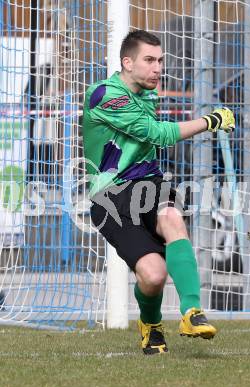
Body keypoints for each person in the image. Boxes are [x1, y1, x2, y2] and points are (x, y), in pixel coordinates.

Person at [83, 30, 235, 355]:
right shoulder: (105, 95)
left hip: (149, 185)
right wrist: (210, 121)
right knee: (153, 277)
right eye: (149, 60)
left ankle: (191, 312)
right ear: (127, 62)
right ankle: (150, 324)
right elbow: (157, 133)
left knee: (171, 216)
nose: (158, 68)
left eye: (160, 60)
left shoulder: (148, 94)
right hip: (109, 197)